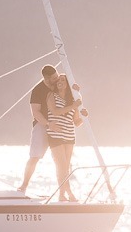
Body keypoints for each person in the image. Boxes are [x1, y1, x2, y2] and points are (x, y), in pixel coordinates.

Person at [17, 64, 63, 193]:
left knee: (61, 160)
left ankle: (63, 191)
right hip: (42, 125)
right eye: (54, 78)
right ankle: (24, 185)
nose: (57, 78)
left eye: (57, 75)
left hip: (60, 124)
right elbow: (36, 112)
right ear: (47, 78)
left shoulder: (61, 84)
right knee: (34, 157)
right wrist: (49, 124)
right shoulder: (38, 90)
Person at [47, 73, 86, 201]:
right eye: (58, 80)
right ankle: (68, 193)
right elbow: (55, 112)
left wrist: (84, 117)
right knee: (62, 166)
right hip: (55, 135)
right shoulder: (52, 95)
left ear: (67, 83)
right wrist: (73, 106)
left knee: (66, 167)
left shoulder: (72, 100)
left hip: (69, 135)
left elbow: (76, 122)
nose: (60, 82)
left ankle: (62, 195)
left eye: (63, 80)